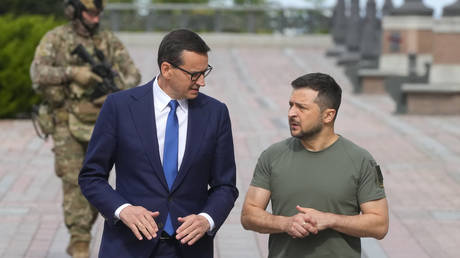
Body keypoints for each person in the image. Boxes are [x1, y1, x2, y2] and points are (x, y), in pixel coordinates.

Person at [79, 29, 239, 258]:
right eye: (194, 75)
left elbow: (225, 186)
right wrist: (122, 210)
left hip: (190, 250)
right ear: (167, 69)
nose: (202, 82)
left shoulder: (216, 113)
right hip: (128, 247)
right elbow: (91, 176)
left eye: (205, 73)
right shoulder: (119, 107)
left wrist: (207, 219)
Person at [30, 0, 141, 257]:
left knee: (95, 184)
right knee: (73, 183)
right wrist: (72, 73)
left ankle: (84, 232)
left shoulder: (108, 40)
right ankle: (79, 240)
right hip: (67, 123)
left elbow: (133, 74)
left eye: (98, 13)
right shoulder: (55, 39)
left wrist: (114, 93)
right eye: (90, 13)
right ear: (74, 12)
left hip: (103, 127)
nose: (95, 19)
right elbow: (38, 73)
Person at [241, 73, 388, 258]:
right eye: (291, 105)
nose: (291, 113)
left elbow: (379, 225)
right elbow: (248, 215)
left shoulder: (362, 160)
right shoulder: (272, 156)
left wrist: (330, 220)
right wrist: (285, 224)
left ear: (328, 115)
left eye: (301, 108)